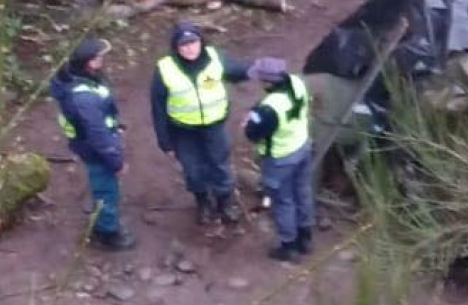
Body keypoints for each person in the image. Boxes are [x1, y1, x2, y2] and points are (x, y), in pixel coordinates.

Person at [151, 22, 251, 225]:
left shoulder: (215, 58)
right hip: (183, 130)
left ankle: (225, 202)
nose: (189, 48)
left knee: (220, 164)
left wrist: (258, 69)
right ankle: (203, 203)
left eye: (193, 42)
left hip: (214, 125)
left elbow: (236, 70)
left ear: (201, 42)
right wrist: (165, 141)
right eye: (184, 45)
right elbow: (158, 107)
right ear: (176, 47)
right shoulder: (165, 69)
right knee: (192, 169)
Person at [49, 35, 135, 251]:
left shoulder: (84, 79)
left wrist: (115, 124)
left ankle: (102, 222)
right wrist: (116, 162)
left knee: (103, 186)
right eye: (99, 57)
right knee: (107, 190)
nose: (102, 60)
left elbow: (101, 114)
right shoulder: (83, 98)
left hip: (89, 143)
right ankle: (107, 232)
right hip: (94, 149)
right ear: (89, 62)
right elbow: (97, 135)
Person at [244, 57, 315, 262]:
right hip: (302, 147)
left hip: (280, 158)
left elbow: (253, 134)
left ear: (268, 83)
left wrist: (249, 121)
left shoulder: (268, 109)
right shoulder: (297, 83)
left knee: (283, 201)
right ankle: (306, 237)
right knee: (303, 192)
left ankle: (288, 245)